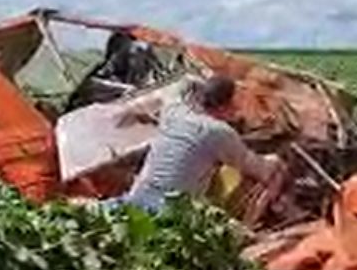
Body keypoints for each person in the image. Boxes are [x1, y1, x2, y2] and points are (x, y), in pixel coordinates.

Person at [113, 74, 284, 214]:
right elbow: (257, 168)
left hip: (136, 199)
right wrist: (274, 161)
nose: (238, 109)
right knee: (275, 169)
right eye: (235, 103)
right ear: (225, 106)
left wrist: (202, 82)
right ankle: (275, 207)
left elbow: (183, 83)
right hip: (168, 213)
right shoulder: (218, 132)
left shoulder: (174, 112)